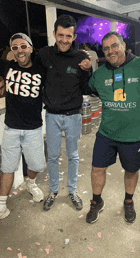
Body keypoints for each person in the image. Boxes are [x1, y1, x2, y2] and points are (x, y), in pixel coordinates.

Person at [0, 33, 46, 232]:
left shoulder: (42, 69)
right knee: (7, 168)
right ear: (12, 52)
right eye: (15, 47)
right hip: (11, 128)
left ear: (30, 48)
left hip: (33, 128)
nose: (20, 50)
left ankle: (31, 183)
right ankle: (0, 207)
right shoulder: (7, 68)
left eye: (23, 46)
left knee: (37, 164)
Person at [86, 31, 140, 224]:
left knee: (131, 170)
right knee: (97, 169)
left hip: (134, 135)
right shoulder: (99, 74)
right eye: (106, 48)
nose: (110, 51)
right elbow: (87, 88)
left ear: (123, 45)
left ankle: (128, 201)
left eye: (114, 46)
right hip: (106, 134)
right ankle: (96, 201)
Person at [36, 14, 93, 212]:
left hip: (74, 116)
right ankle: (53, 191)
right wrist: (6, 76)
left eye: (68, 36)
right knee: (52, 156)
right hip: (51, 115)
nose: (64, 40)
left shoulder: (81, 58)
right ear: (54, 34)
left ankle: (72, 190)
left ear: (74, 37)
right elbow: (30, 71)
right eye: (60, 35)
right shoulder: (44, 54)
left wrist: (88, 70)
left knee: (73, 156)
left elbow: (86, 88)